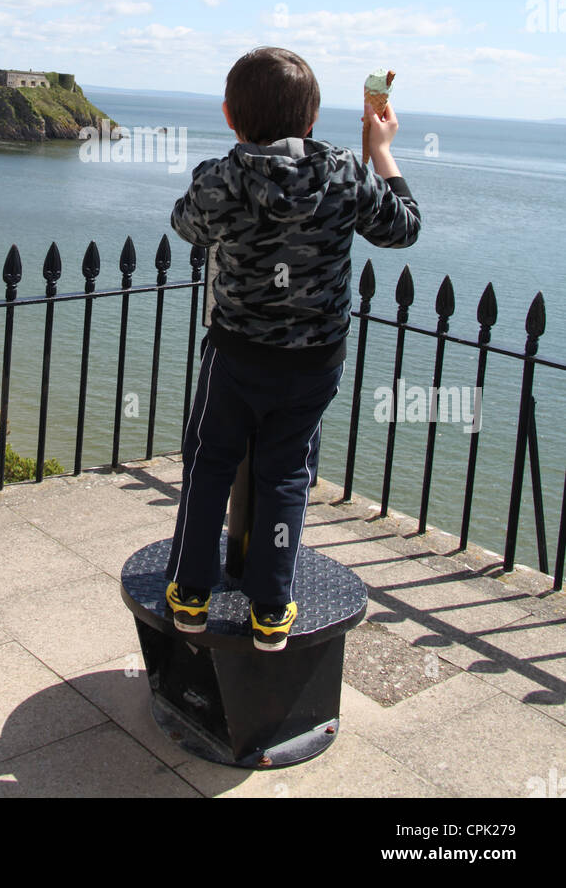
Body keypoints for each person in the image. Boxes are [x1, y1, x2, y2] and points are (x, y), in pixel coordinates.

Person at [164, 47, 421, 650]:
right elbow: (404, 227)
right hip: (313, 361)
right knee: (285, 476)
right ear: (312, 120)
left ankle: (191, 595)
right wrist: (378, 151)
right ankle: (272, 608)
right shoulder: (344, 175)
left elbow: (186, 225)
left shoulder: (219, 178)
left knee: (208, 467)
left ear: (230, 115)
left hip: (236, 355)